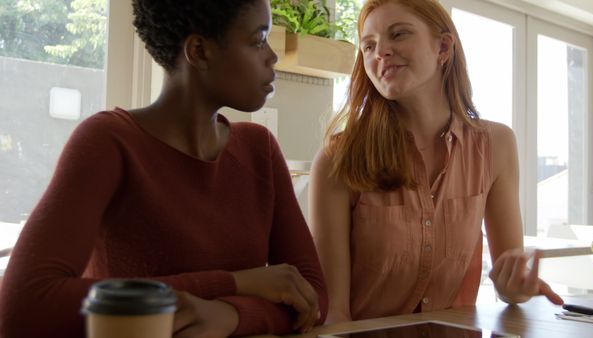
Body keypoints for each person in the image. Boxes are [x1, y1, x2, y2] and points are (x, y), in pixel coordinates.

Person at [0, 0, 327, 337]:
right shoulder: (108, 143)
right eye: (258, 40)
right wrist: (235, 283)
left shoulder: (260, 149)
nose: (272, 56)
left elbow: (312, 297)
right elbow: (24, 306)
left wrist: (229, 314)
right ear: (199, 51)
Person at [309, 0, 563, 323]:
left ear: (443, 47)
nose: (380, 52)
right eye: (369, 45)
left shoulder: (496, 145)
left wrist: (517, 286)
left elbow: (507, 285)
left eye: (398, 35)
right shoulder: (338, 160)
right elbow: (335, 315)